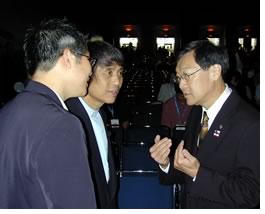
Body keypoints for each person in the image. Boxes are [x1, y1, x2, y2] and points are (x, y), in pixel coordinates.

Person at [150, 40, 259, 208]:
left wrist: (198, 174)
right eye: (179, 77)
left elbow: (252, 194)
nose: (180, 84)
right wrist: (166, 163)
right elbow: (188, 172)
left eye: (187, 75)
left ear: (215, 71)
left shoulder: (251, 123)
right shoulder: (197, 113)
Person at [0, 18, 97, 208]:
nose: (91, 70)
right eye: (89, 59)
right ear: (68, 57)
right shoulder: (61, 124)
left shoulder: (7, 111)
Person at [66, 40, 124, 208]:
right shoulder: (69, 117)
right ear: (87, 71)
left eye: (120, 73)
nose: (117, 81)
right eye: (109, 72)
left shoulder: (101, 114)